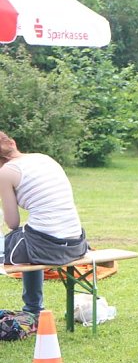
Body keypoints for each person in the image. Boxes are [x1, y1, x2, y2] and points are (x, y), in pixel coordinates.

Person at [0, 131, 88, 317]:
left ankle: (34, 310)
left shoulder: (6, 172)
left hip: (47, 246)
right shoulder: (44, 158)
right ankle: (33, 309)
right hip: (75, 243)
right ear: (13, 143)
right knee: (28, 239)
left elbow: (12, 222)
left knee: (22, 241)